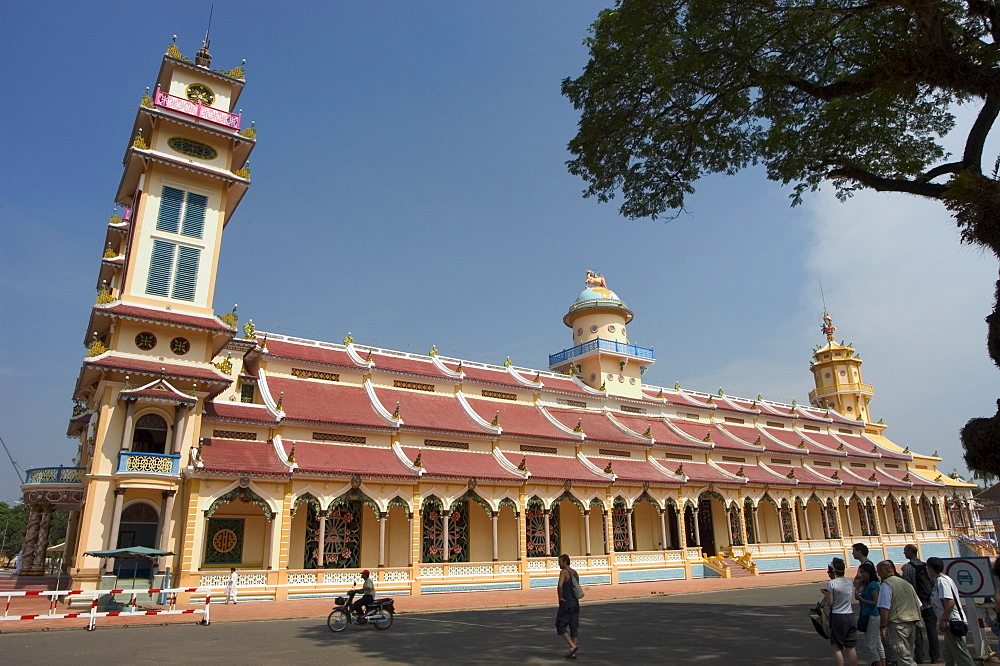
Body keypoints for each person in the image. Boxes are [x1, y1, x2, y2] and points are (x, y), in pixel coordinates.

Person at [927, 557, 974, 666]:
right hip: (951, 622)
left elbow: (950, 602)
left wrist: (943, 620)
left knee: (962, 655)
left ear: (930, 568)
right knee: (949, 654)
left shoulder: (942, 581)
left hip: (953, 622)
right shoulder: (944, 580)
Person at [876, 560, 922, 666]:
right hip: (912, 623)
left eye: (878, 571)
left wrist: (883, 627)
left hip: (898, 624)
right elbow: (918, 604)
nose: (878, 574)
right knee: (908, 655)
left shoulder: (886, 584)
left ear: (883, 570)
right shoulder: (906, 583)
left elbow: (885, 608)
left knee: (904, 659)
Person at [901, 544, 939, 664]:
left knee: (917, 632)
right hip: (929, 602)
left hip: (916, 604)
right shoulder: (926, 567)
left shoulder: (906, 568)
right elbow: (933, 583)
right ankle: (935, 656)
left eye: (905, 551)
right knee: (932, 631)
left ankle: (920, 657)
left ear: (910, 552)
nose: (904, 553)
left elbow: (906, 586)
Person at [824, 557, 858, 666]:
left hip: (838, 616)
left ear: (833, 571)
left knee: (837, 646)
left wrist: (826, 595)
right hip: (849, 615)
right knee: (851, 647)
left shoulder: (832, 584)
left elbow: (830, 602)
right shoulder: (849, 582)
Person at [854, 562, 886, 666]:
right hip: (868, 615)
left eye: (863, 572)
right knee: (876, 643)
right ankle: (881, 662)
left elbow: (876, 602)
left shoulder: (873, 585)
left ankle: (877, 662)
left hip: (872, 615)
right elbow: (856, 596)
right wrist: (857, 586)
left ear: (869, 573)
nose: (861, 575)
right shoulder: (867, 584)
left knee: (869, 645)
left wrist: (863, 600)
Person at [556, 554, 580, 659]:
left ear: (565, 562)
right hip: (575, 603)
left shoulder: (564, 572)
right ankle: (572, 651)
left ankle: (572, 646)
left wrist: (560, 597)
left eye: (560, 562)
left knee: (560, 625)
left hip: (566, 603)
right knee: (573, 626)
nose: (559, 564)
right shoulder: (575, 573)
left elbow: (560, 585)